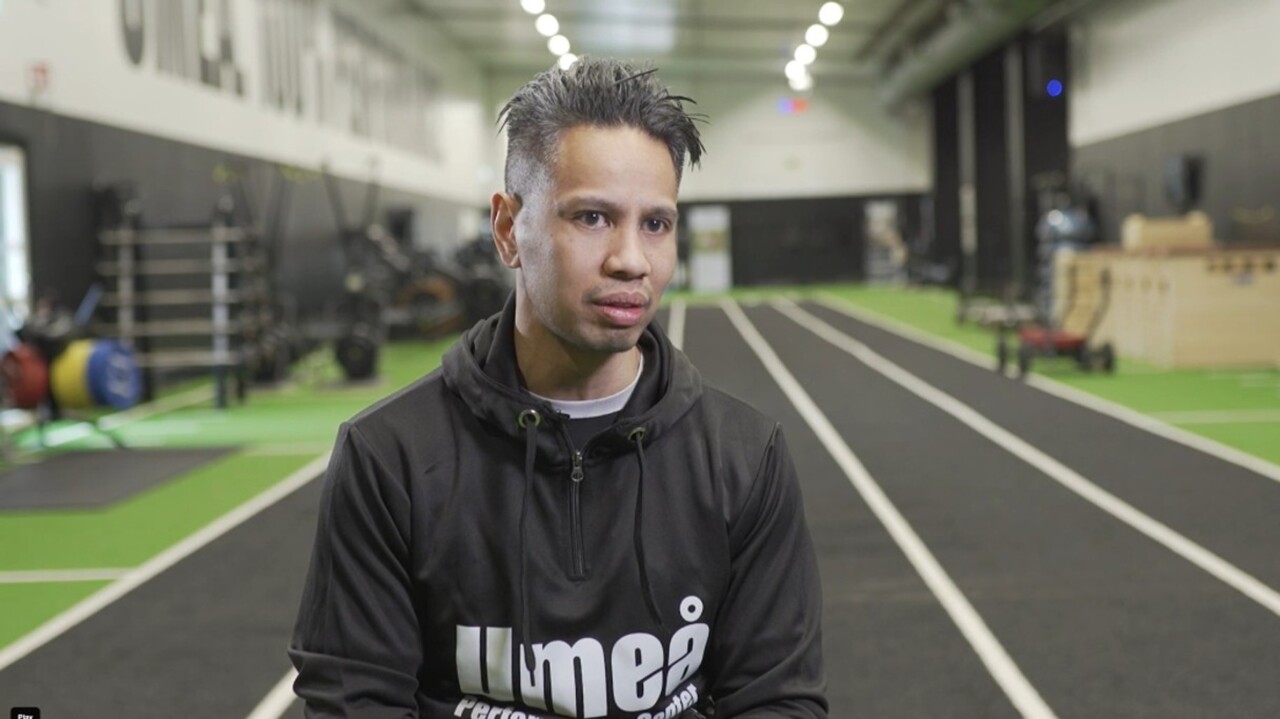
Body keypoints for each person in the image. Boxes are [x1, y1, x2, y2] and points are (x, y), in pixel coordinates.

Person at [290, 56, 827, 719]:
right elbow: (354, 703)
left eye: (655, 224)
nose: (630, 259)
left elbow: (777, 701)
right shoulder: (388, 459)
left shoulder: (743, 457)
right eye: (592, 217)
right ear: (508, 230)